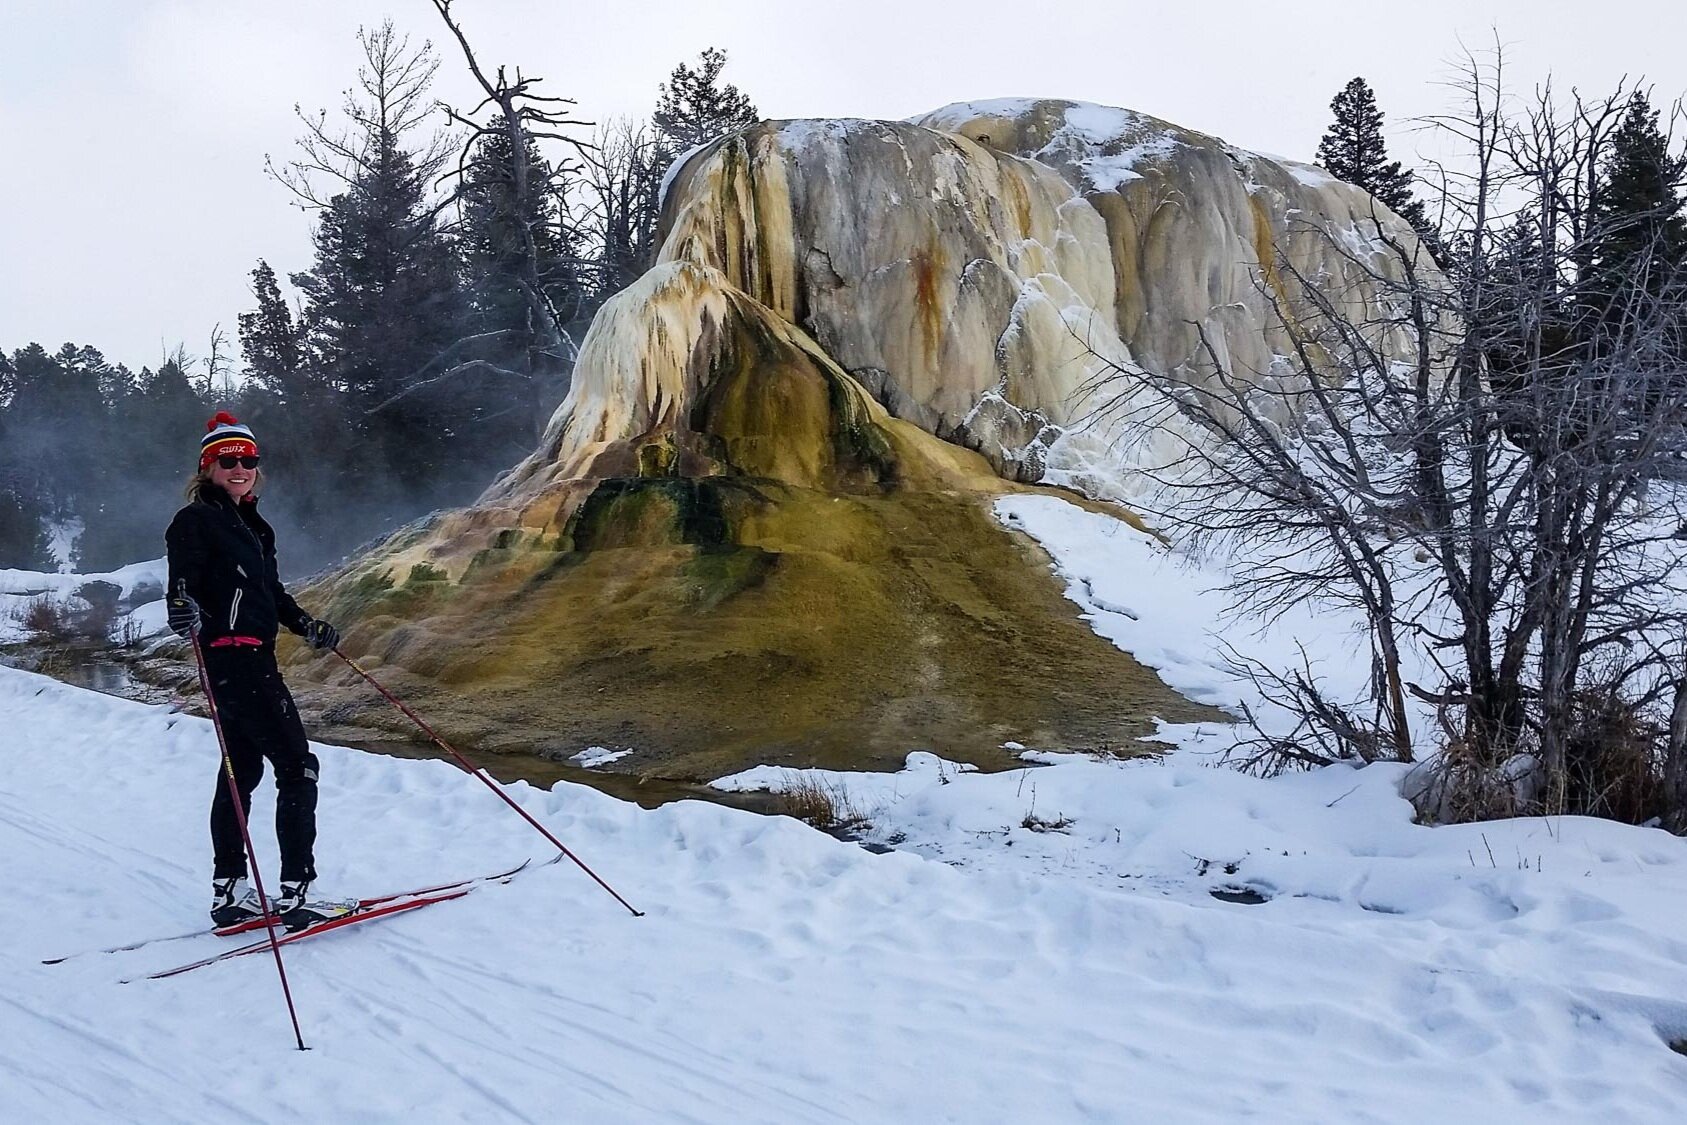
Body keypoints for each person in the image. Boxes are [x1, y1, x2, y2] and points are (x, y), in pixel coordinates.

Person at [165, 411, 346, 930]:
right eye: (228, 461)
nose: (240, 467)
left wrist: (306, 625)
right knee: (298, 766)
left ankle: (230, 893)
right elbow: (182, 585)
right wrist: (181, 608)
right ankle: (298, 894)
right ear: (208, 468)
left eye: (248, 460)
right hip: (234, 657)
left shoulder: (252, 525)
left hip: (250, 657)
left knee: (241, 772)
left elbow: (270, 592)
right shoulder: (195, 520)